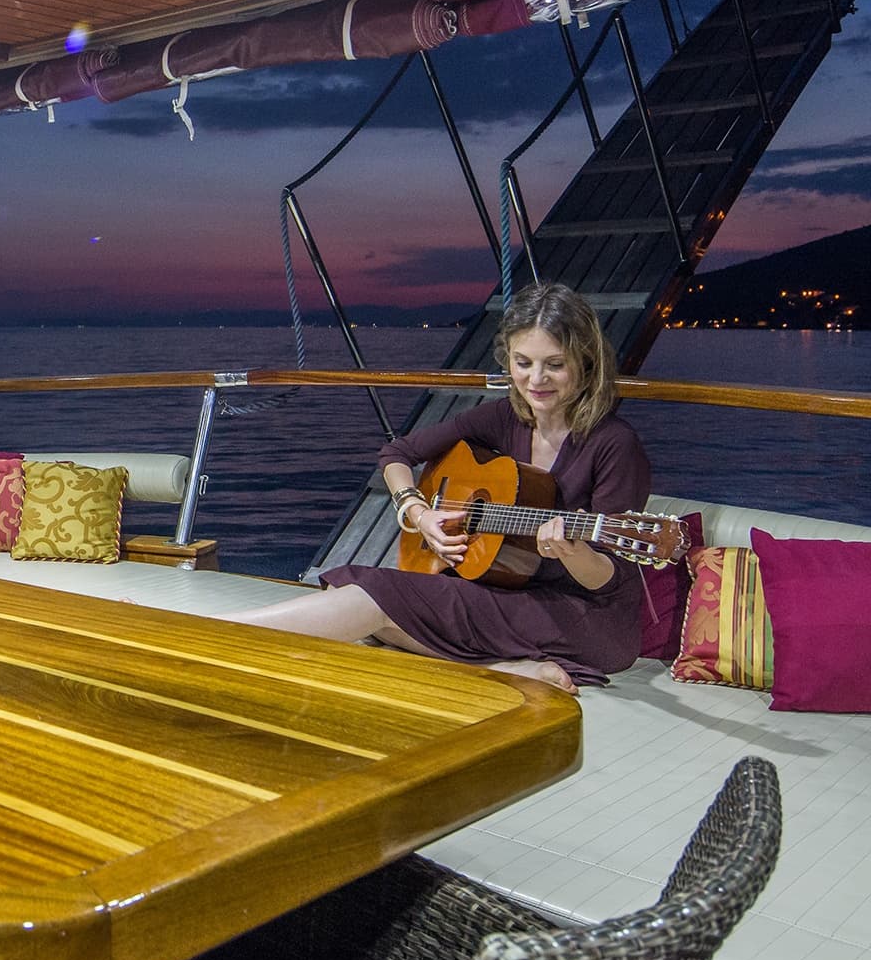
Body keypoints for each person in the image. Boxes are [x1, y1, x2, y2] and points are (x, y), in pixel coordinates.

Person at [231, 283, 651, 694]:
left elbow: (609, 579)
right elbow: (397, 454)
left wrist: (572, 552)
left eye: (554, 364)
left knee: (372, 601)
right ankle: (502, 667)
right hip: (506, 588)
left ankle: (217, 636)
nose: (536, 379)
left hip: (583, 614)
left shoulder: (614, 443)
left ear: (585, 361)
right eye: (523, 362)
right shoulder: (504, 417)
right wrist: (419, 514)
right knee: (365, 597)